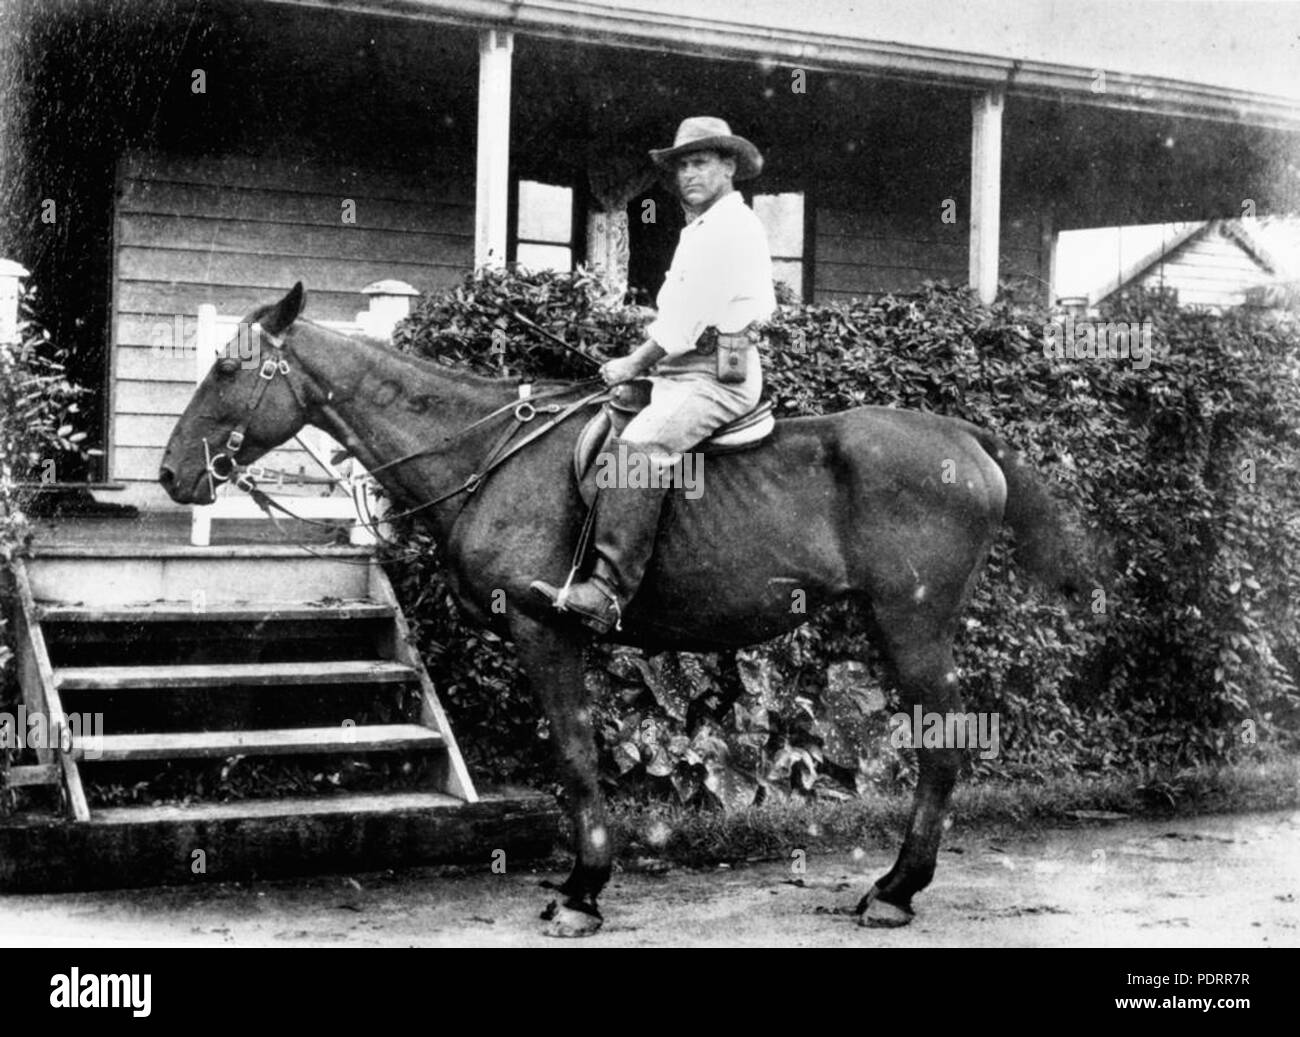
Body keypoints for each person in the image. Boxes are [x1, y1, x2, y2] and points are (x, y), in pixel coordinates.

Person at [530, 116, 777, 633]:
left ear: (729, 167)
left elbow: (685, 326)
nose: (689, 174)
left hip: (715, 377)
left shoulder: (731, 227)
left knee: (639, 449)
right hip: (680, 373)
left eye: (701, 162)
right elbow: (676, 316)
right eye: (682, 164)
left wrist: (631, 363)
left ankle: (608, 592)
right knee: (599, 422)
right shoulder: (701, 228)